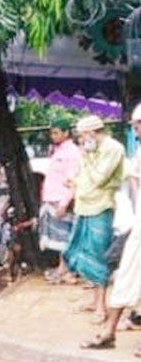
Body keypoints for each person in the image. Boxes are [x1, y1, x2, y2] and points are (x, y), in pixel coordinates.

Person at [81, 107, 140, 350]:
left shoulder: (115, 149)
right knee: (125, 273)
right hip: (137, 226)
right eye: (134, 125)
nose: (135, 129)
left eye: (138, 124)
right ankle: (108, 333)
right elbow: (135, 180)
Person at [64, 115, 125, 324]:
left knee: (99, 255)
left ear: (91, 133)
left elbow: (99, 178)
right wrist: (74, 181)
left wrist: (87, 156)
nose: (81, 140)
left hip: (102, 207)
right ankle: (93, 300)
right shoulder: (89, 150)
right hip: (84, 207)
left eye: (82, 136)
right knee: (83, 253)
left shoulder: (113, 149)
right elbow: (84, 177)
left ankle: (101, 306)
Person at [39, 119, 82, 283]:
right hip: (52, 199)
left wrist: (64, 203)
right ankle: (62, 268)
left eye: (56, 133)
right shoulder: (58, 151)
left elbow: (72, 181)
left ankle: (68, 271)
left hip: (62, 200)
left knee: (66, 237)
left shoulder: (72, 153)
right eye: (52, 133)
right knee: (58, 238)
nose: (53, 136)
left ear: (66, 133)